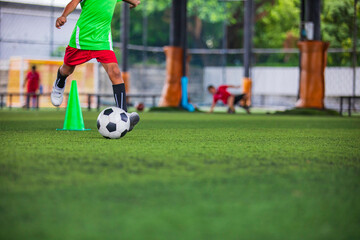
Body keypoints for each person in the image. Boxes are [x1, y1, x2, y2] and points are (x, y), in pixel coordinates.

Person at [51, 0, 140, 131]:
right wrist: (64, 16)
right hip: (82, 37)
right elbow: (73, 3)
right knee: (67, 69)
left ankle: (124, 116)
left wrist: (134, 3)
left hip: (102, 39)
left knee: (115, 72)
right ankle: (60, 81)